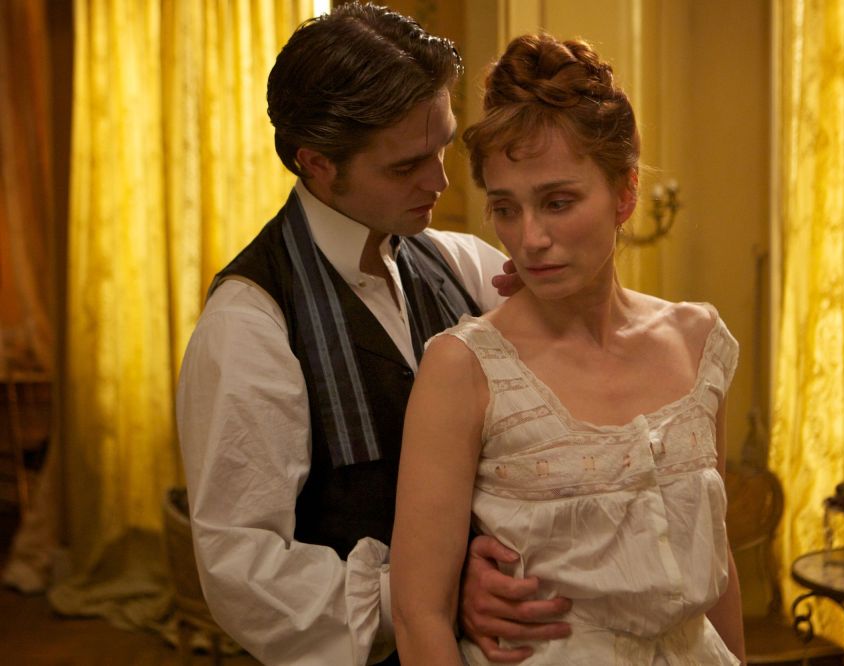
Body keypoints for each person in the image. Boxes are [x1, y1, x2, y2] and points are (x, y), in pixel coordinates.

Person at [175, 5, 571, 665]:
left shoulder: (461, 265)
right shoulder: (249, 328)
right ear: (318, 164)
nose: (440, 181)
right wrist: (424, 595)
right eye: (405, 165)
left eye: (443, 146)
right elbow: (243, 570)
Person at [391, 33, 747, 665]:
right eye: (506, 208)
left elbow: (715, 567)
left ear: (625, 193)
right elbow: (420, 618)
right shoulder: (463, 367)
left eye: (558, 202)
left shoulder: (697, 343)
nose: (530, 238)